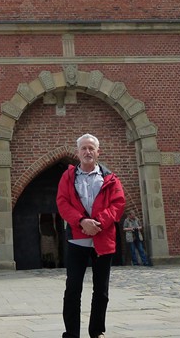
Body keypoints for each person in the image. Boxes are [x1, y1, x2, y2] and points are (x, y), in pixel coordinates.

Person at [57, 133, 126, 338]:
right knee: (73, 288)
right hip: (77, 239)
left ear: (98, 152)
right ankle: (71, 334)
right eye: (84, 148)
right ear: (77, 153)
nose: (87, 152)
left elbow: (118, 204)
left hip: (103, 239)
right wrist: (81, 221)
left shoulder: (110, 178)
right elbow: (62, 203)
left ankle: (96, 332)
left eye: (91, 148)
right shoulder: (68, 177)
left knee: (101, 290)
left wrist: (99, 223)